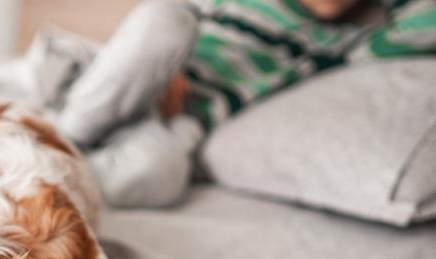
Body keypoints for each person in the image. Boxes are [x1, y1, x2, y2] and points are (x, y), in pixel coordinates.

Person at [56, 0, 436, 207]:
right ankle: (61, 137)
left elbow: (423, 24)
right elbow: (150, 34)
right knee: (166, 18)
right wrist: (167, 69)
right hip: (145, 78)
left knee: (161, 172)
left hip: (180, 119)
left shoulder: (345, 42)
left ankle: (56, 175)